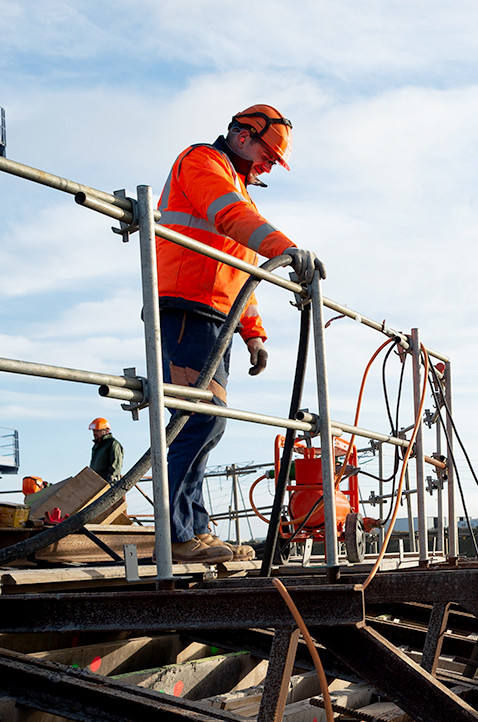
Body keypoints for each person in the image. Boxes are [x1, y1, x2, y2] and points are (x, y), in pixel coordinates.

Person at [156, 104, 323, 564]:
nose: (269, 164)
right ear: (242, 135)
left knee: (208, 425)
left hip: (215, 317)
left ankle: (192, 529)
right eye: (267, 153)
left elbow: (244, 270)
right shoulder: (202, 164)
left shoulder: (239, 191)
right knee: (200, 420)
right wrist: (287, 249)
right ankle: (178, 534)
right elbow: (231, 220)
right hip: (186, 306)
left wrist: (253, 333)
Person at [89, 417, 123, 482]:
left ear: (105, 431)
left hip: (106, 483)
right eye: (93, 430)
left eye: (97, 430)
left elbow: (116, 466)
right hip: (95, 483)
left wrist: (111, 483)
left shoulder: (113, 444)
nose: (94, 433)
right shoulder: (96, 446)